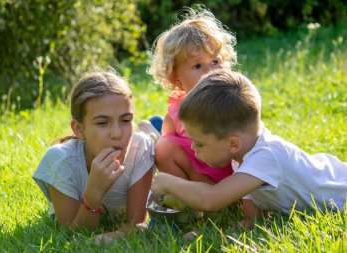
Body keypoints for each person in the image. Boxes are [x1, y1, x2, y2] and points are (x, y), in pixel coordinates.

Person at [151, 69, 347, 228]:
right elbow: (252, 220)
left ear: (233, 144)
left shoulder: (265, 157)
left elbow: (211, 199)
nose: (193, 148)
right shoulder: (243, 154)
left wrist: (168, 183)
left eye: (199, 143)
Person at [33, 71, 155, 241]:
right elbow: (70, 233)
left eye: (126, 120)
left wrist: (106, 239)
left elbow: (137, 224)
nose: (117, 133)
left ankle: (153, 131)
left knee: (153, 141)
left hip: (147, 143)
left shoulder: (141, 148)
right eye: (102, 123)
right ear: (79, 129)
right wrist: (93, 194)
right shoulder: (61, 160)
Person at [148, 7, 237, 184]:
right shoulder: (178, 110)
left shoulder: (233, 99)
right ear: (176, 79)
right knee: (163, 147)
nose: (210, 71)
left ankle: (150, 129)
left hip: (235, 178)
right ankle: (186, 198)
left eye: (215, 61)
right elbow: (168, 138)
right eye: (197, 66)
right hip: (200, 180)